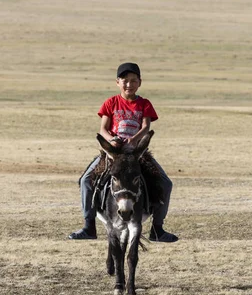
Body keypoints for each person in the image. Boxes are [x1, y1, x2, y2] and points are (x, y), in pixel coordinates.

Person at [68, 62, 178, 242]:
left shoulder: (144, 104)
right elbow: (102, 129)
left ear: (140, 82)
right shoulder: (110, 103)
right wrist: (111, 140)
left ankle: (157, 229)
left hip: (137, 154)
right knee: (86, 180)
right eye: (125, 80)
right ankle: (89, 226)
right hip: (113, 153)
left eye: (133, 80)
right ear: (117, 82)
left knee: (166, 184)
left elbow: (145, 126)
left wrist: (134, 140)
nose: (129, 84)